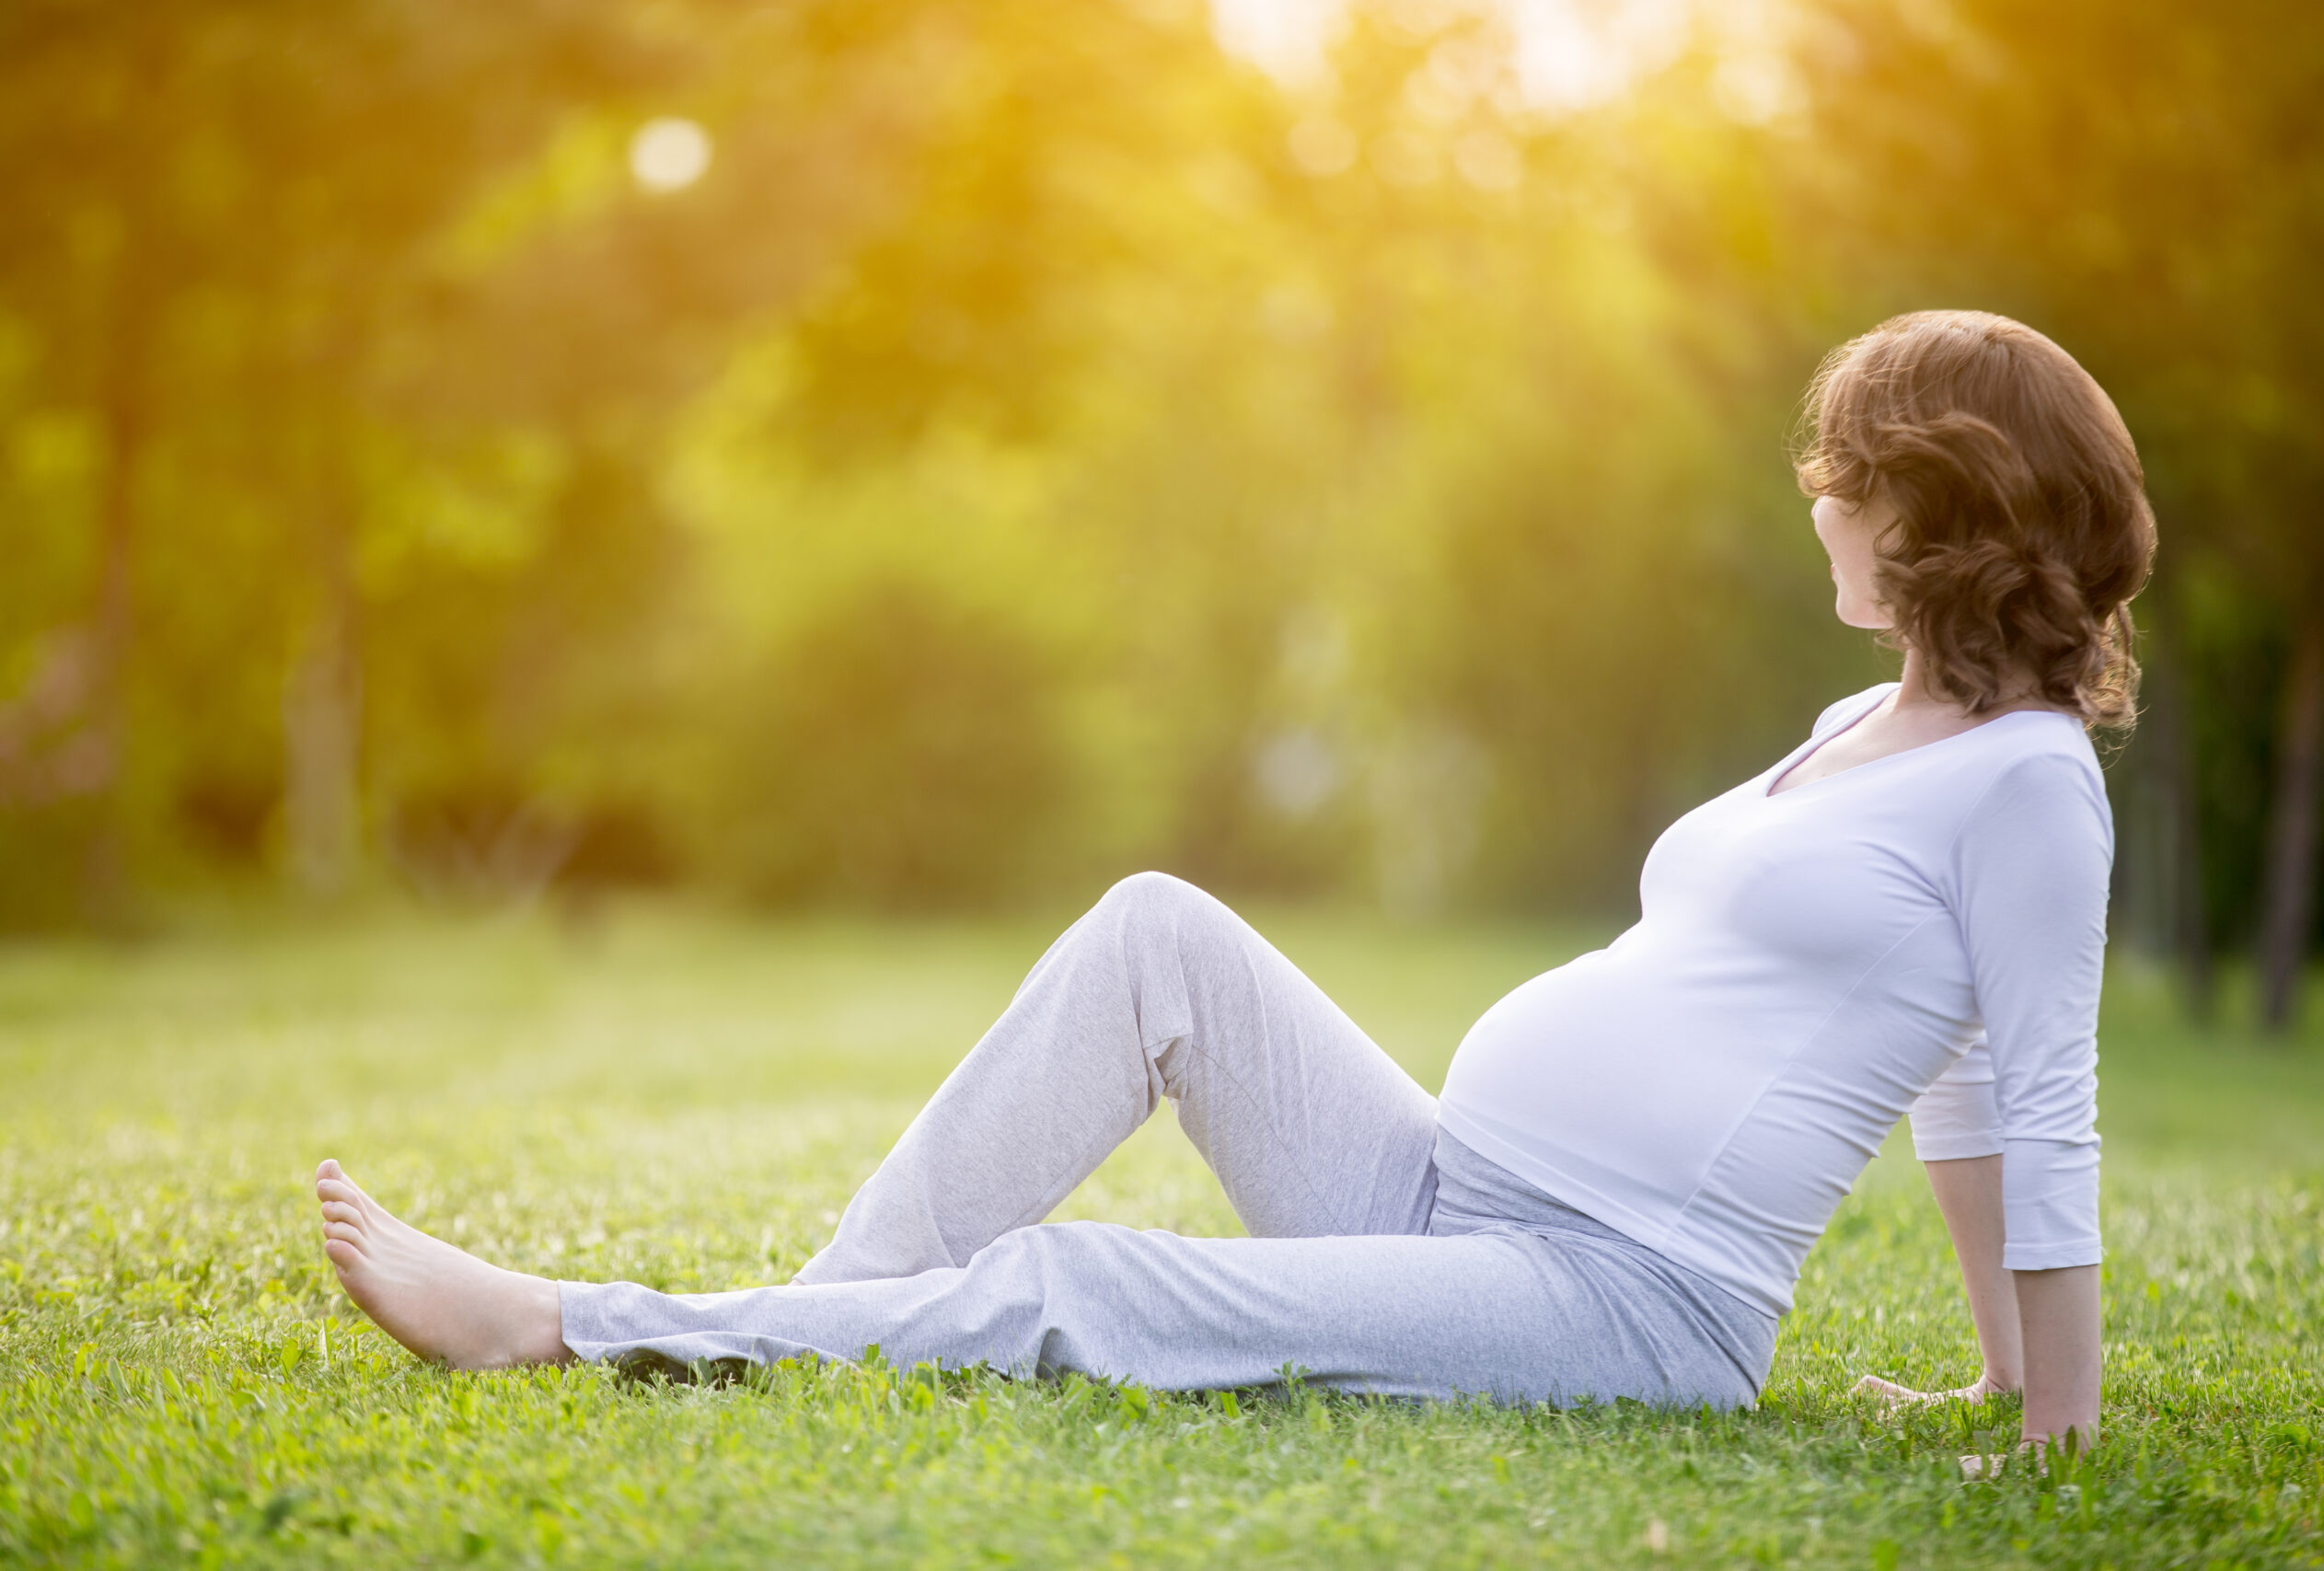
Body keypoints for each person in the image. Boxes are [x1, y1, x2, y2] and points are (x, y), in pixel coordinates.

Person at [315, 310, 2152, 1450]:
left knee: (1090, 1286)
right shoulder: (1866, 717)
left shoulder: (2026, 788)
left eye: (1843, 469)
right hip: (1455, 1183)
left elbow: (2021, 1095)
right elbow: (1950, 1073)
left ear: (1936, 500)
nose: (1813, 495)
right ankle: (819, 1323)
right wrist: (1989, 1380)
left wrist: (2041, 1411)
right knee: (1153, 936)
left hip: (1617, 1295)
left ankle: (558, 1325)